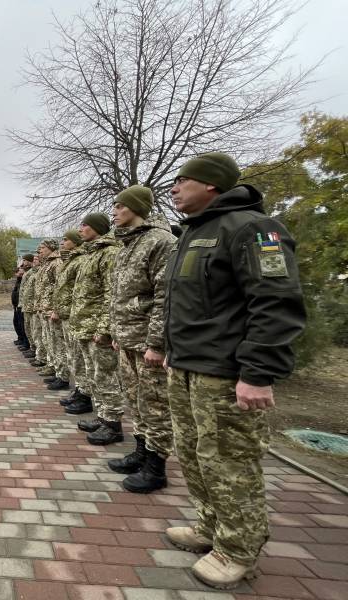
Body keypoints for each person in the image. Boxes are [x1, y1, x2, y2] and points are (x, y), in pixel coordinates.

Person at [164, 153, 305, 589]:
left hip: (224, 374)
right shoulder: (194, 233)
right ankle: (209, 526)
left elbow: (275, 303)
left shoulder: (253, 229)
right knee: (192, 455)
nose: (173, 188)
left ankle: (238, 549)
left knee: (229, 462)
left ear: (210, 185)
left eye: (181, 180)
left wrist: (258, 372)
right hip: (188, 367)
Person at [109, 185, 175, 493]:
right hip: (127, 338)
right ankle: (140, 451)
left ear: (135, 208)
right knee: (136, 400)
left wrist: (156, 344)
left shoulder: (160, 242)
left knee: (155, 404)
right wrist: (116, 333)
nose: (114, 211)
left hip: (147, 342)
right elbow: (118, 297)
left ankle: (156, 467)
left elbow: (164, 296)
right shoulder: (127, 245)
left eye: (119, 206)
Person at [69, 213, 123, 443]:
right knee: (94, 374)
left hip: (97, 329)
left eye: (85, 225)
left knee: (105, 376)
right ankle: (102, 417)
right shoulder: (93, 254)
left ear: (97, 228)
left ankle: (113, 424)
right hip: (85, 326)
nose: (81, 229)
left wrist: (104, 328)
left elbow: (111, 294)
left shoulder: (109, 253)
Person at [52, 230, 86, 398]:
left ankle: (82, 394)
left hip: (75, 316)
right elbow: (60, 289)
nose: (62, 242)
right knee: (72, 354)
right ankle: (77, 390)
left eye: (66, 240)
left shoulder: (79, 260)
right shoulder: (68, 261)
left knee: (78, 357)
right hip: (65, 314)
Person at [34, 239, 61, 380]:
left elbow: (59, 288)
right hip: (44, 308)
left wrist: (55, 308)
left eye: (43, 247)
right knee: (48, 340)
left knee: (56, 343)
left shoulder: (56, 263)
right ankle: (52, 366)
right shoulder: (46, 265)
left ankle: (60, 373)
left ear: (51, 247)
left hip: (51, 310)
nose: (40, 250)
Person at [17, 254, 36, 356]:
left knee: (33, 329)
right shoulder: (27, 273)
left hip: (32, 306)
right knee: (26, 326)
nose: (23, 262)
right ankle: (29, 346)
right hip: (24, 304)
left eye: (24, 260)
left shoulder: (32, 272)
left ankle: (32, 348)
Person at [12, 261, 29, 349]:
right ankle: (21, 339)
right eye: (18, 272)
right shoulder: (19, 281)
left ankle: (25, 342)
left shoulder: (24, 279)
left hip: (22, 306)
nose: (19, 274)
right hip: (16, 306)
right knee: (17, 323)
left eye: (21, 272)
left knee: (22, 324)